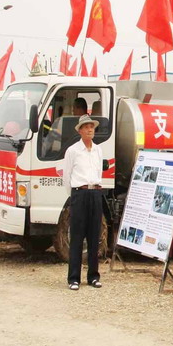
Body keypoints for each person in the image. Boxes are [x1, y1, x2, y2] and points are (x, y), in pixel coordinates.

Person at [61, 114, 104, 291]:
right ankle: (73, 278)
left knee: (95, 237)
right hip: (80, 193)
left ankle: (93, 276)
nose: (90, 130)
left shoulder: (98, 150)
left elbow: (99, 172)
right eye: (86, 127)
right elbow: (66, 176)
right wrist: (74, 196)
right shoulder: (72, 151)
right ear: (80, 131)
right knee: (77, 237)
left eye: (91, 127)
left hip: (95, 193)